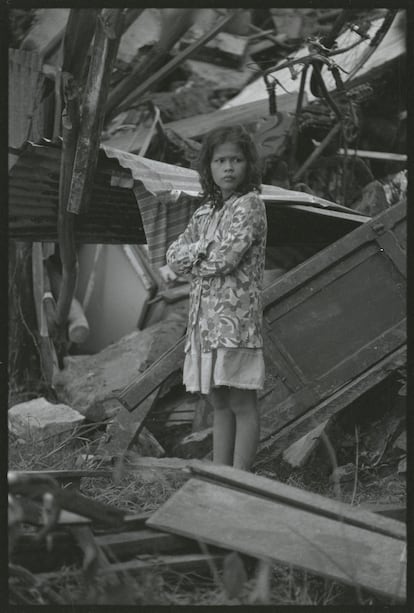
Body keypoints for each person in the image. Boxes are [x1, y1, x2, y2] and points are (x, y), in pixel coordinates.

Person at [163, 125, 267, 471]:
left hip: (235, 323)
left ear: (248, 165)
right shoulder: (205, 212)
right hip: (205, 325)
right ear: (208, 167)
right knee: (219, 402)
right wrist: (203, 251)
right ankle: (221, 477)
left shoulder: (249, 206)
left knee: (241, 401)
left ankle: (240, 481)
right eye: (220, 160)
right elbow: (173, 258)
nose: (228, 168)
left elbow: (226, 259)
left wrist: (197, 256)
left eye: (235, 160)